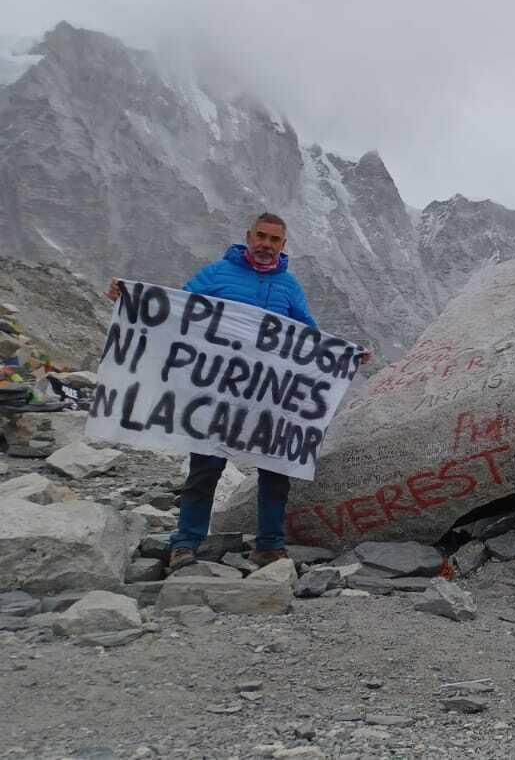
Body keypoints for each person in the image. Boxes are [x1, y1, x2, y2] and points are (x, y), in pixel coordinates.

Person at [107, 212, 365, 570]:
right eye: (261, 237)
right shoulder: (216, 274)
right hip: (216, 394)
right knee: (206, 468)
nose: (266, 245)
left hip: (267, 398)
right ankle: (185, 543)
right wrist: (131, 299)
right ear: (248, 236)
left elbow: (308, 337)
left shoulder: (288, 286)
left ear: (283, 245)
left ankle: (270, 545)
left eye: (274, 240)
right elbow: (174, 309)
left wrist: (346, 355)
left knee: (275, 472)